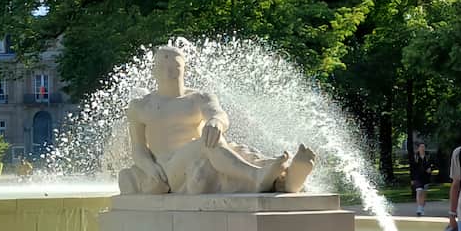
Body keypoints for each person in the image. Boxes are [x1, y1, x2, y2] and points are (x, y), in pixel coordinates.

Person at [119, 45, 315, 195]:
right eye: (163, 66)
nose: (169, 72)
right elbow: (138, 148)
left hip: (206, 158)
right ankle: (257, 177)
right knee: (208, 143)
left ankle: (286, 179)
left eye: (175, 66)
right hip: (169, 170)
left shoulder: (199, 97)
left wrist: (216, 122)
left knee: (235, 150)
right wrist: (149, 168)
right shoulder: (141, 106)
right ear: (154, 71)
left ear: (184, 69)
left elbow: (218, 114)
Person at [412, 140, 434, 216]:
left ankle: (422, 208)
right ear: (418, 148)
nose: (422, 148)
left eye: (423, 147)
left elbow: (434, 164)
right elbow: (412, 168)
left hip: (426, 177)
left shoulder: (428, 156)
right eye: (421, 147)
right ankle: (419, 208)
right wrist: (412, 179)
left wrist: (431, 168)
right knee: (419, 192)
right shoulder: (415, 157)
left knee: (424, 193)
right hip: (418, 177)